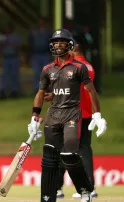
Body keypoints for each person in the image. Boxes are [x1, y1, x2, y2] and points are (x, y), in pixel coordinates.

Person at [27, 29, 107, 202]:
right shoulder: (48, 69)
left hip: (72, 115)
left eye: (62, 42)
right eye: (55, 42)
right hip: (53, 115)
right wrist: (34, 116)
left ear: (70, 45)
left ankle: (85, 190)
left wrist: (97, 115)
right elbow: (41, 93)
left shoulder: (79, 67)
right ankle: (48, 195)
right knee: (50, 157)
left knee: (69, 154)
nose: (58, 45)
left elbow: (91, 91)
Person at [44, 34, 98, 199]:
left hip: (73, 114)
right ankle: (86, 186)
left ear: (73, 49)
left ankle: (64, 187)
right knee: (79, 149)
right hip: (84, 113)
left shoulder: (78, 66)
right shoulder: (88, 66)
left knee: (66, 149)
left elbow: (78, 90)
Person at [28, 17, 52, 93]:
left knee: (46, 72)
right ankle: (37, 89)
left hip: (45, 54)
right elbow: (30, 43)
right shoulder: (33, 31)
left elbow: (51, 43)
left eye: (42, 22)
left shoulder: (48, 31)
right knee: (36, 72)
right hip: (36, 54)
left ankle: (46, 87)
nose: (40, 23)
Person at [0, 23, 21, 100]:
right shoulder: (2, 37)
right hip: (5, 58)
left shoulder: (15, 37)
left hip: (14, 58)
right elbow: (0, 47)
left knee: (14, 75)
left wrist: (10, 43)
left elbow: (18, 47)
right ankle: (2, 91)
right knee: (4, 75)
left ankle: (14, 91)